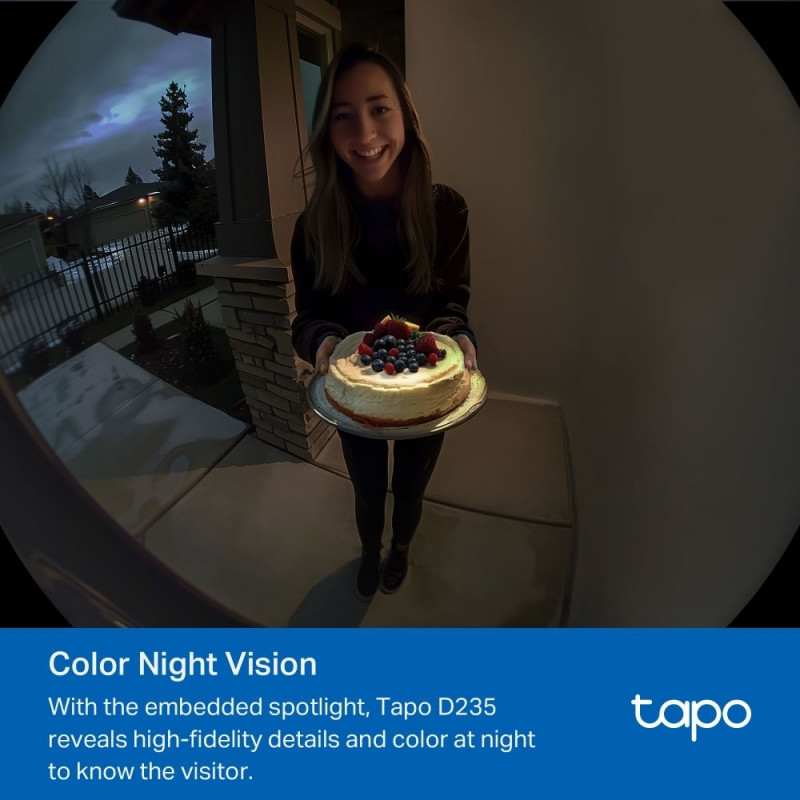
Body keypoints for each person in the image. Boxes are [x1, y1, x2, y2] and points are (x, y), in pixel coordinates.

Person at [290, 42, 478, 601]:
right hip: (356, 395)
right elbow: (310, 317)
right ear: (327, 132)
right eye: (343, 116)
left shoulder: (447, 210)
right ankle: (371, 552)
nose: (365, 131)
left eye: (379, 108)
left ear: (405, 117)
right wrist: (323, 343)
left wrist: (458, 336)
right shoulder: (312, 227)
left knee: (411, 488)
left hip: (427, 391)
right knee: (369, 490)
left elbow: (452, 304)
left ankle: (401, 549)